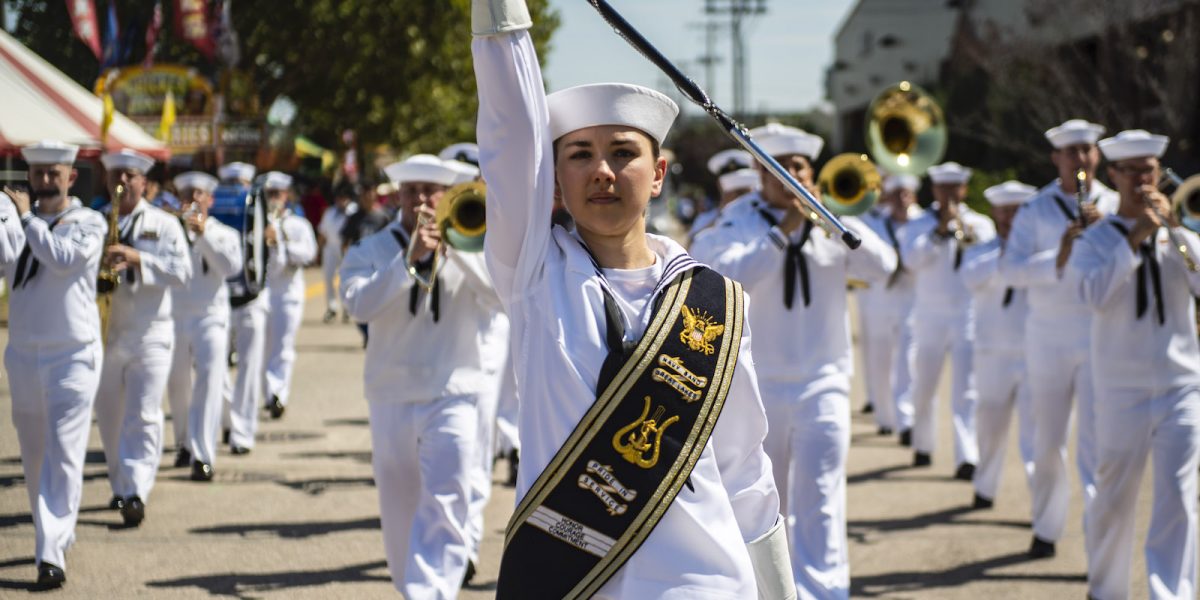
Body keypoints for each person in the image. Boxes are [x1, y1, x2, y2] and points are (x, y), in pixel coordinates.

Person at [472, 2, 793, 598]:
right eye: (579, 155)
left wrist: (781, 591)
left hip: (704, 582)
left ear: (659, 173)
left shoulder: (715, 301)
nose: (602, 171)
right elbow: (507, 132)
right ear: (555, 178)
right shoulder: (535, 273)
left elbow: (745, 467)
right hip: (576, 578)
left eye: (623, 153)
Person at [691, 123, 896, 599]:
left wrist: (840, 219)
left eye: (799, 167)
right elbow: (722, 277)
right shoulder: (739, 219)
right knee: (766, 503)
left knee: (822, 496)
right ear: (760, 171)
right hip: (758, 385)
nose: (791, 176)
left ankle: (826, 592)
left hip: (824, 379)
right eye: (780, 168)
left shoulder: (832, 218)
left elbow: (882, 268)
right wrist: (781, 235)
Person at [340, 154, 501, 596]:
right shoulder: (370, 250)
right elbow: (359, 305)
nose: (422, 201)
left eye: (431, 191)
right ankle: (411, 585)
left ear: (447, 195)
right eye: (412, 192)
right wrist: (408, 261)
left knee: (449, 498)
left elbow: (503, 299)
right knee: (399, 510)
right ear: (399, 196)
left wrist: (458, 250)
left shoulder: (476, 246)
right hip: (391, 393)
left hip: (455, 390)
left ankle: (431, 592)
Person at [1070, 130, 1200, 600]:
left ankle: (1173, 594)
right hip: (1121, 390)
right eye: (1134, 171)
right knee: (1113, 501)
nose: (1144, 180)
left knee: (1179, 500)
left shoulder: (1181, 232)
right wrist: (1136, 237)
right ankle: (1105, 591)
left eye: (1151, 170)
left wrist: (1176, 231)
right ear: (1114, 176)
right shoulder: (1097, 238)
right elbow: (1093, 296)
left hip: (1180, 385)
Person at [999, 119, 1118, 558]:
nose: (1080, 159)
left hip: (1097, 335)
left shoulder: (1113, 204)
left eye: (1087, 150)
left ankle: (1096, 543)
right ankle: (1047, 526)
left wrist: (1111, 233)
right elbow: (1010, 271)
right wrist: (1061, 254)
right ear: (1056, 159)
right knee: (1047, 442)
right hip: (1047, 337)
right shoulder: (1035, 208)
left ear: (1097, 156)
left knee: (1096, 445)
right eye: (1071, 152)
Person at [0, 141, 107, 589]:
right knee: (34, 453)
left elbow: (62, 259)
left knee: (63, 453)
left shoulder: (89, 222)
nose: (44, 182)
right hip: (24, 350)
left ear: (71, 178)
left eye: (53, 174)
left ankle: (49, 553)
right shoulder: (14, 219)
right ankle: (55, 533)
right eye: (37, 173)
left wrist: (25, 219)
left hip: (73, 353)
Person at [94, 149, 192, 527]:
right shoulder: (96, 221)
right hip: (106, 331)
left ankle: (135, 490)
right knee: (109, 417)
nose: (121, 181)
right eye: (115, 174)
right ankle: (120, 485)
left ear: (144, 183)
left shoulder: (164, 225)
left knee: (144, 413)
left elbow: (182, 273)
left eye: (129, 175)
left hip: (151, 332)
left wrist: (138, 259)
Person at [902, 162, 995, 477]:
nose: (949, 195)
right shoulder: (919, 223)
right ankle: (923, 444)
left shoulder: (980, 223)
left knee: (966, 389)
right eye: (943, 188)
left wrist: (962, 230)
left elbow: (987, 260)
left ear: (964, 190)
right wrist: (939, 231)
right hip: (929, 315)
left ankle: (966, 455)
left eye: (955, 188)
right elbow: (911, 260)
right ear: (935, 190)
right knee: (924, 385)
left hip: (967, 314)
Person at [960, 180, 1037, 509]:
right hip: (992, 352)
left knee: (1036, 436)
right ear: (995, 213)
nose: (1010, 218)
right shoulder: (981, 250)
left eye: (1017, 211)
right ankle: (985, 486)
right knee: (989, 426)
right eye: (1004, 212)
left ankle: (1041, 502)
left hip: (1034, 352)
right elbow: (970, 278)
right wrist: (1007, 254)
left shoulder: (1041, 252)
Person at [164, 171, 243, 481]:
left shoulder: (223, 233)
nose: (193, 200)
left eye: (199, 194)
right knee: (178, 384)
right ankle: (183, 441)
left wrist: (204, 234)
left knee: (209, 382)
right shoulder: (171, 231)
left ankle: (203, 453)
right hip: (175, 314)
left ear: (210, 199)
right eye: (188, 195)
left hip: (211, 314)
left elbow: (231, 267)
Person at [856, 174, 922, 441]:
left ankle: (906, 420)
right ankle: (885, 416)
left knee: (908, 360)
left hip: (910, 301)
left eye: (906, 194)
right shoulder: (875, 222)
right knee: (880, 361)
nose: (901, 200)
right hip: (880, 300)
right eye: (896, 195)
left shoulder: (922, 221)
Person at [216, 162, 267, 454]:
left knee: (248, 366)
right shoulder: (210, 208)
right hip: (221, 298)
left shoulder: (261, 205)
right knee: (219, 367)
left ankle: (242, 431)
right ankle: (230, 420)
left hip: (252, 298)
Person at [261, 172, 317, 419]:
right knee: (262, 348)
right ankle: (268, 392)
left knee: (283, 347)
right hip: (262, 293)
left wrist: (281, 239)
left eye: (278, 194)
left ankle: (278, 394)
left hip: (288, 294)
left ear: (286, 195)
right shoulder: (256, 222)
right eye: (269, 194)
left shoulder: (298, 225)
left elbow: (308, 254)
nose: (274, 199)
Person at [687, 148, 758, 241]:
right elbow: (690, 247)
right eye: (732, 190)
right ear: (720, 185)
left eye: (742, 191)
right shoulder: (705, 219)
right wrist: (721, 215)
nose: (738, 197)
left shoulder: (765, 214)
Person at [317, 183, 358, 323]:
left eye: (344, 198)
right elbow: (323, 231)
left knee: (345, 279)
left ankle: (347, 307)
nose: (341, 201)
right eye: (339, 198)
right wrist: (318, 249)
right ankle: (332, 308)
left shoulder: (354, 212)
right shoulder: (330, 212)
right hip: (331, 248)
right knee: (328, 278)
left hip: (348, 249)